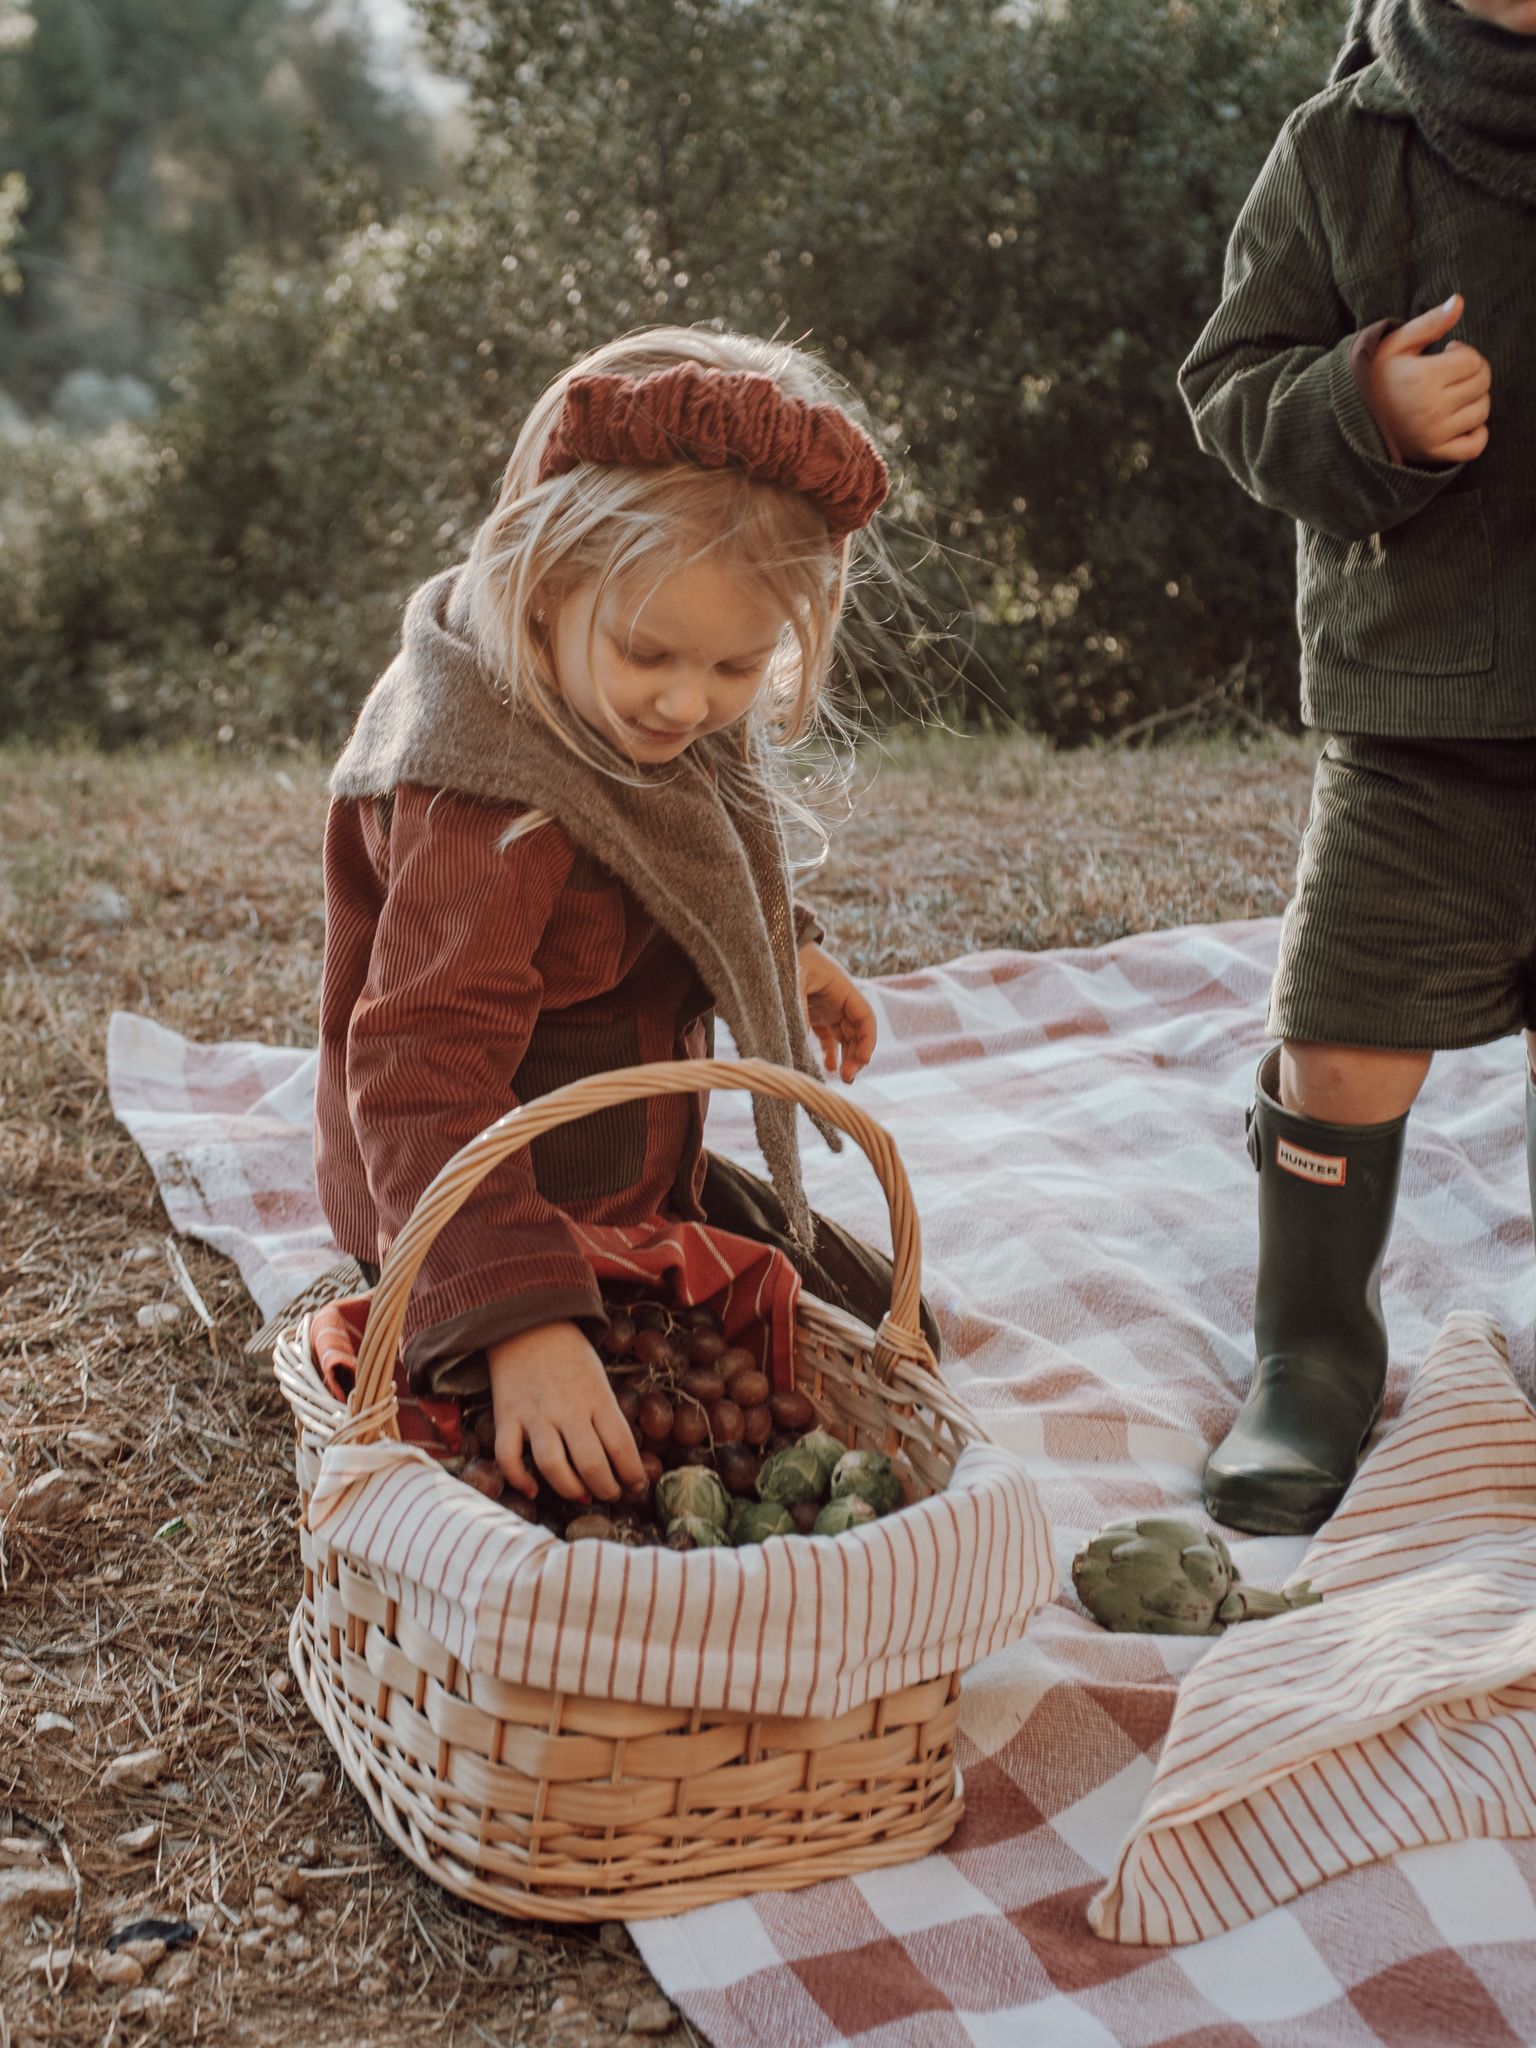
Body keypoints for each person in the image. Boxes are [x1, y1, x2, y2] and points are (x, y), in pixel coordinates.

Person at [314, 325, 936, 1511]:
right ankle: (497, 1312)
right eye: (651, 653)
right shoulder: (488, 796)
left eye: (736, 669)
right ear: (541, 584)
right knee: (573, 1459)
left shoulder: (639, 701)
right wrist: (524, 1322)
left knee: (884, 1329)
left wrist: (783, 953)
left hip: (628, 1144)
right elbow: (417, 1064)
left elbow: (679, 850)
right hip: (473, 1197)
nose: (688, 700)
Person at [1178, 0, 1536, 1534]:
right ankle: (1312, 1353)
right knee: (1340, 1048)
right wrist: (1359, 404)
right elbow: (1232, 383)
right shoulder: (1345, 145)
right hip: (1418, 714)